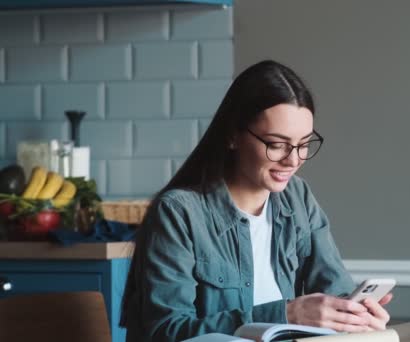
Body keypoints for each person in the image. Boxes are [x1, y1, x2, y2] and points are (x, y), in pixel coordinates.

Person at [120, 60, 393, 342]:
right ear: (232, 136)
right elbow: (167, 332)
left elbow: (334, 289)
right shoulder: (178, 212)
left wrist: (354, 314)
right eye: (276, 144)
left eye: (304, 144)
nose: (293, 159)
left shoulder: (297, 198)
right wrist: (287, 314)